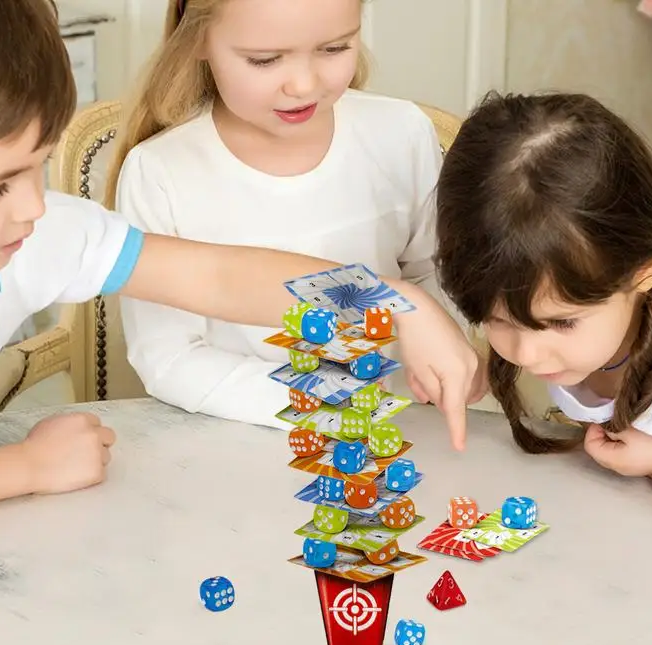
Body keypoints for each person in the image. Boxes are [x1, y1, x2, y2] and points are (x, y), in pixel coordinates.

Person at [0, 0, 480, 517]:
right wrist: (22, 467)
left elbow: (219, 276)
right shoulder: (152, 174)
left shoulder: (42, 234)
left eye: (39, 166)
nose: (33, 205)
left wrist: (392, 300)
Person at [105, 0, 466, 428]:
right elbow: (168, 357)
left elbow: (439, 276)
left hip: (403, 429)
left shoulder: (401, 133)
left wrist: (430, 356)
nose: (303, 84)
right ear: (197, 38)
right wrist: (316, 400)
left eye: (334, 48)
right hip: (238, 437)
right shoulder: (161, 172)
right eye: (265, 60)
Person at [435, 90, 652, 513]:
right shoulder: (592, 288)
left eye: (562, 323)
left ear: (645, 273)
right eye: (498, 320)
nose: (528, 355)